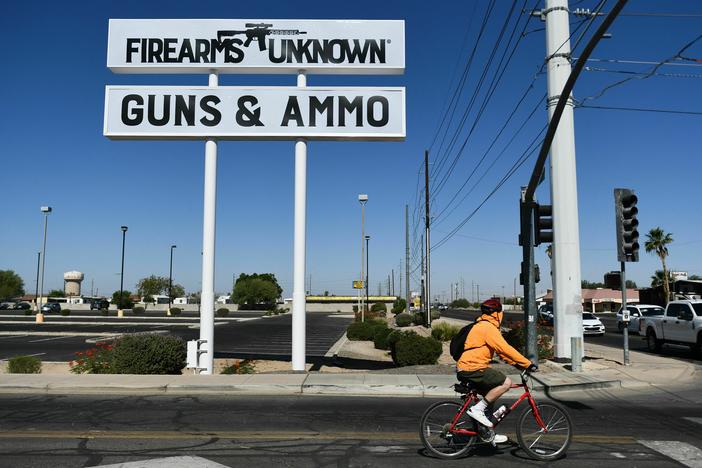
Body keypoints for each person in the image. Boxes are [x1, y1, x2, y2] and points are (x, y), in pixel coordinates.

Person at [457, 298, 536, 438]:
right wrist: (527, 364)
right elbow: (505, 348)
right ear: (497, 314)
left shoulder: (482, 325)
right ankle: (477, 410)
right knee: (506, 383)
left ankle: (487, 432)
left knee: (491, 395)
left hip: (468, 367)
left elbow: (501, 353)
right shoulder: (488, 327)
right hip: (473, 367)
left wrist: (516, 364)